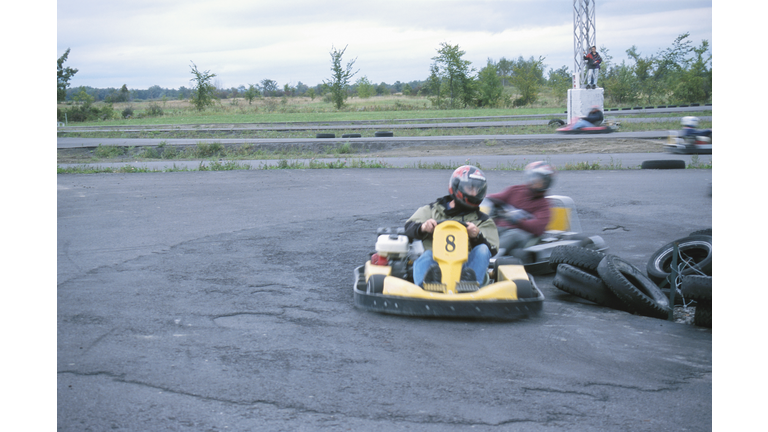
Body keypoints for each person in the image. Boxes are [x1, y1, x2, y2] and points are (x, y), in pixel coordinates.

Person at [404, 165, 499, 287]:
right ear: (457, 186)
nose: (474, 193)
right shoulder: (433, 210)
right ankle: (427, 284)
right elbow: (408, 227)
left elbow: (491, 249)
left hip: (466, 269)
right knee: (426, 255)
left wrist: (477, 236)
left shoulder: (483, 220)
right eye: (470, 188)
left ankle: (469, 285)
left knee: (483, 249)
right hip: (435, 266)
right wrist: (423, 227)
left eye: (477, 189)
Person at [485, 161, 556, 258]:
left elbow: (538, 228)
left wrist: (516, 219)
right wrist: (494, 204)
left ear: (547, 183)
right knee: (488, 229)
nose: (538, 183)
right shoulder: (515, 190)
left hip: (525, 236)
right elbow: (495, 197)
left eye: (542, 181)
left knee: (513, 235)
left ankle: (488, 257)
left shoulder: (544, 205)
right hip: (503, 229)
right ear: (530, 177)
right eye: (536, 179)